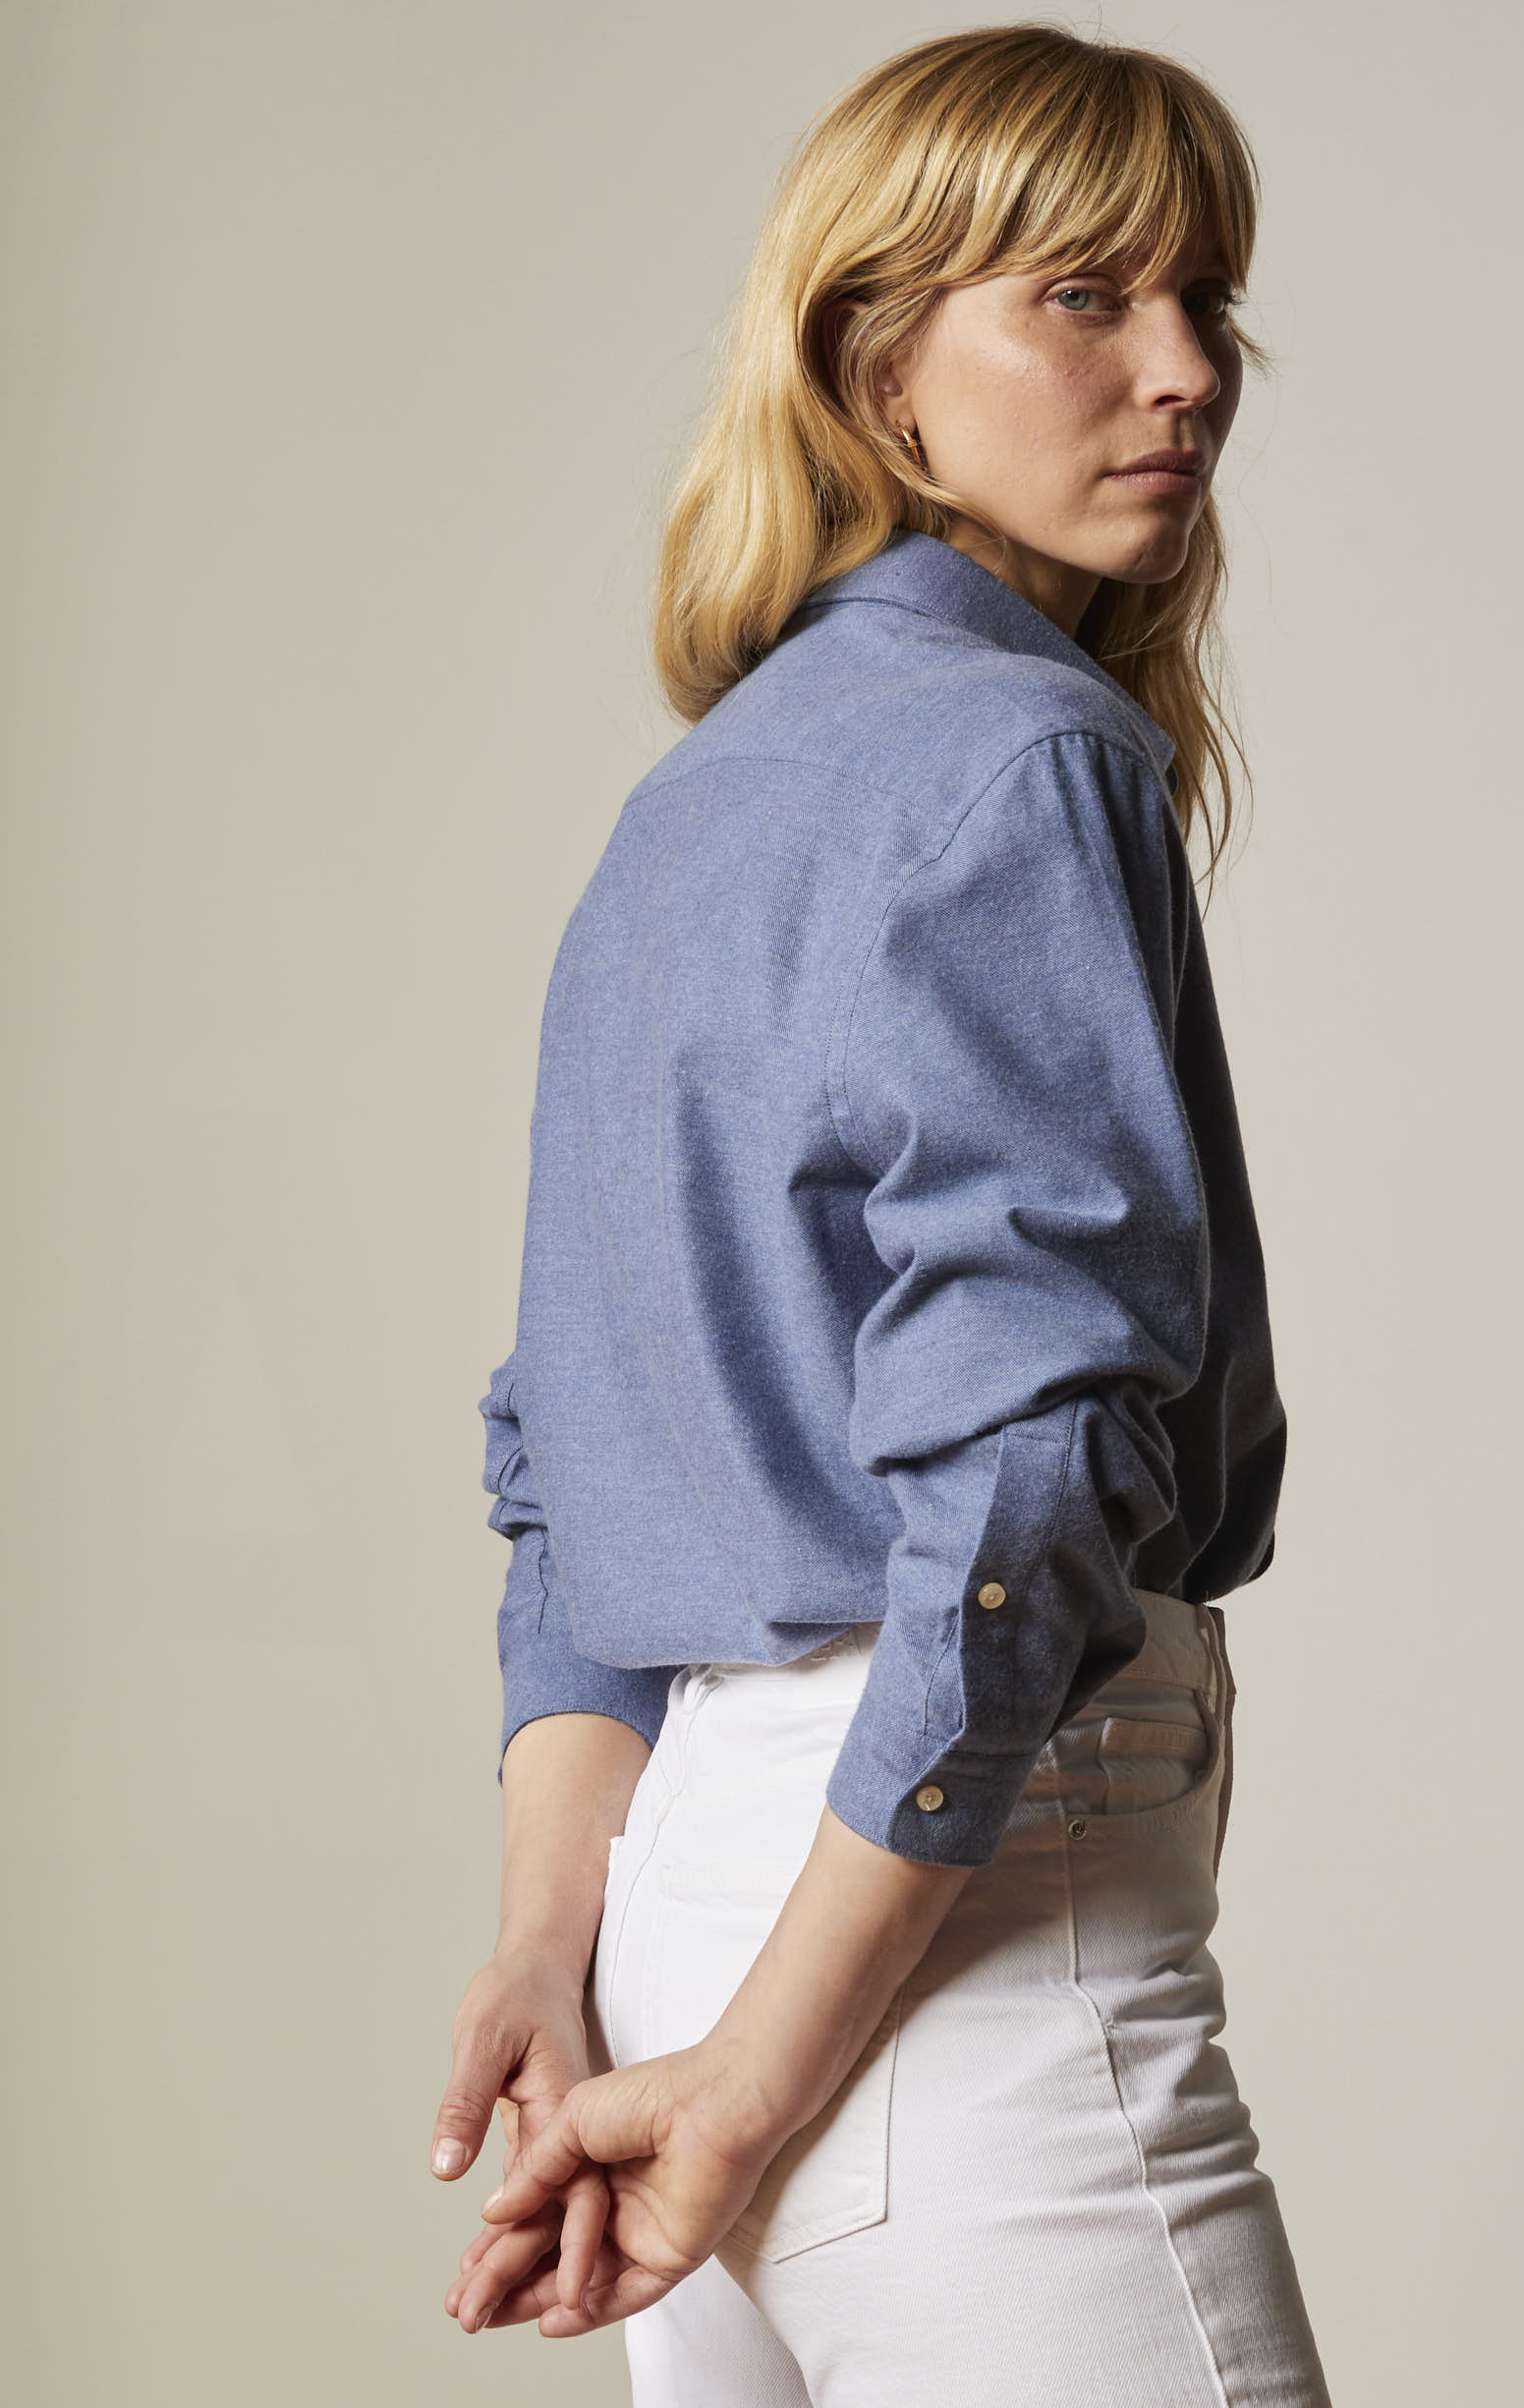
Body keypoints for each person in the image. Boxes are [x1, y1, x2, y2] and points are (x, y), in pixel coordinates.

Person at [430, 24, 1333, 2405]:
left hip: (684, 1892)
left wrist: (554, 1948)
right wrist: (762, 2070)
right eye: (1083, 298)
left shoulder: (688, 813)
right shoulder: (1023, 753)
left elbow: (570, 1462)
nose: (1184, 372)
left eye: (1208, 301)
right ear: (878, 368)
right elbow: (1030, 1481)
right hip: (946, 1910)